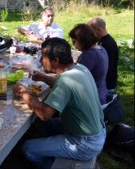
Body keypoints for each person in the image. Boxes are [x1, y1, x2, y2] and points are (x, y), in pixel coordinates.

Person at [13, 38, 106, 169]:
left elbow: (44, 114)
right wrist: (43, 77)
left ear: (55, 60)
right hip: (95, 132)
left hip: (84, 143)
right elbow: (66, 86)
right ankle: (50, 147)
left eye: (43, 57)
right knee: (46, 126)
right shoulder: (79, 68)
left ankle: (50, 165)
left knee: (28, 147)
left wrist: (23, 92)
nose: (40, 61)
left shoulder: (66, 81)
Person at [69, 24, 109, 104]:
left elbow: (72, 79)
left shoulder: (89, 55)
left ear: (82, 40)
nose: (74, 45)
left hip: (93, 99)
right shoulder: (100, 48)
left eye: (74, 42)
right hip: (102, 91)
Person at [87, 17, 119, 93]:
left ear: (98, 30)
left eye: (90, 31)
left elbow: (105, 67)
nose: (89, 34)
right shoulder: (105, 41)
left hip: (106, 85)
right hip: (107, 83)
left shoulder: (105, 44)